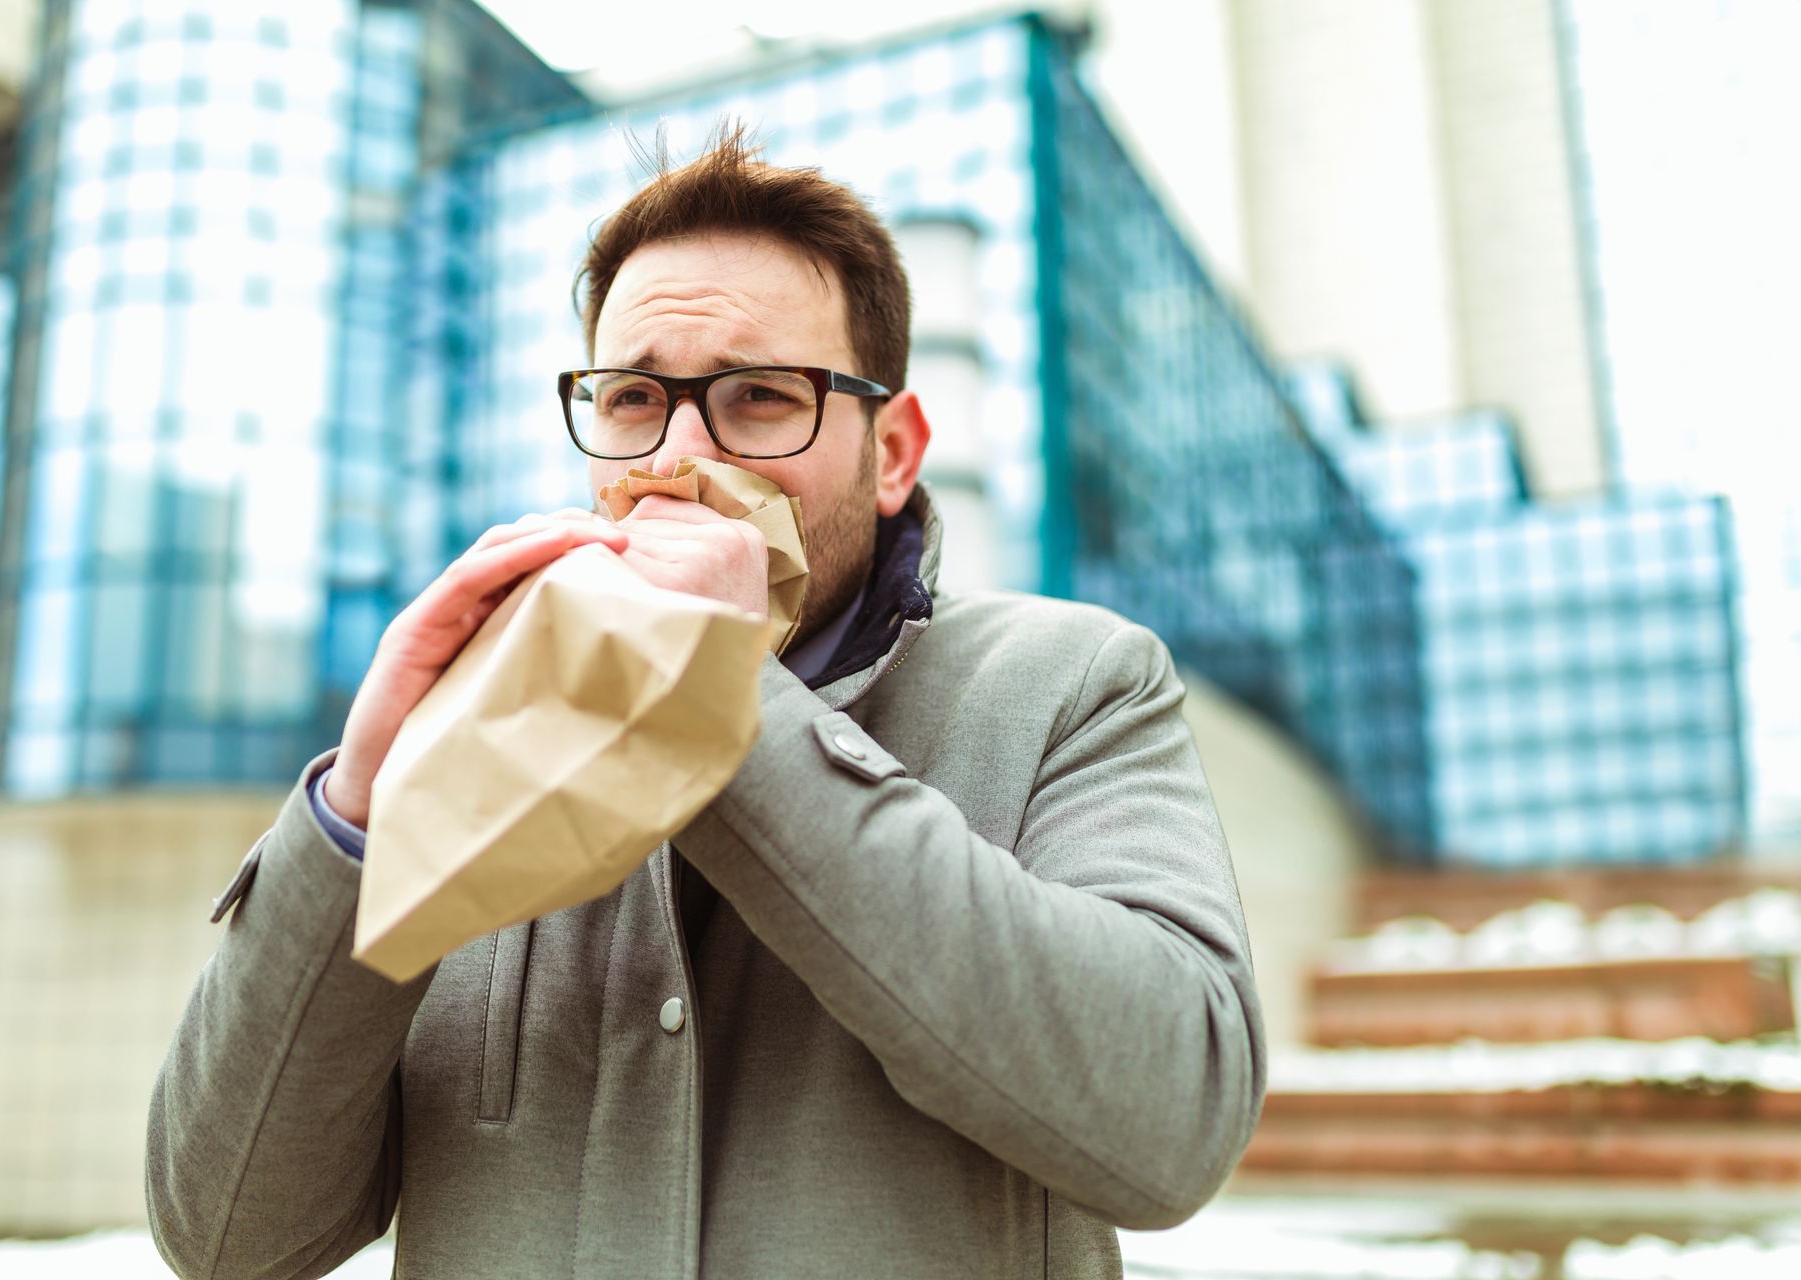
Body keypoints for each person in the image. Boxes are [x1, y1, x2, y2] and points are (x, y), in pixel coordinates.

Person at [146, 124, 1264, 1280]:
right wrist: (360, 812)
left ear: (893, 453)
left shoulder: (1069, 683)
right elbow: (233, 1237)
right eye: (633, 398)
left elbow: (1173, 1123)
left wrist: (727, 704)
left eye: (761, 396)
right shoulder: (476, 733)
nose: (678, 457)